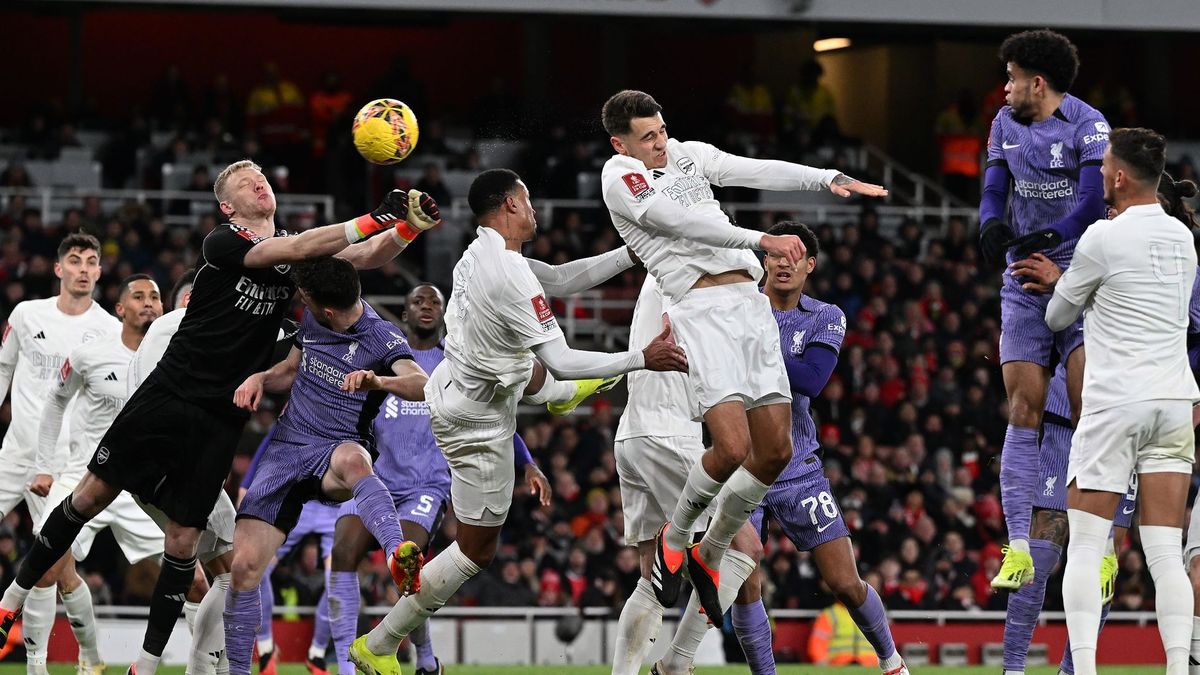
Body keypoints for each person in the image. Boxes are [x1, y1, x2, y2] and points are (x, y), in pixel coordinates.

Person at [0, 159, 442, 675]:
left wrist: (408, 226)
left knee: (185, 544)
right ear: (228, 204)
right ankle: (10, 598)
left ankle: (144, 666)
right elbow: (300, 247)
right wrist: (371, 215)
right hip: (171, 394)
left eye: (263, 177)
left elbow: (363, 255)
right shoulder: (224, 242)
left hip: (220, 418)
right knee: (88, 496)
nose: (260, 182)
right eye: (244, 181)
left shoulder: (299, 259)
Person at [348, 168, 687, 675]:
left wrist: (627, 256)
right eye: (528, 200)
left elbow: (561, 278)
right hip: (477, 428)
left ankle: (555, 396)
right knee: (476, 549)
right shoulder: (506, 275)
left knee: (523, 365)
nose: (535, 210)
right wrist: (641, 357)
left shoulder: (482, 253)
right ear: (508, 205)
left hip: (457, 391)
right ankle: (379, 643)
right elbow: (565, 356)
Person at [599, 89, 886, 622]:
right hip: (702, 309)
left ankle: (708, 552)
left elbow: (753, 168)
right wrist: (760, 240)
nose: (660, 143)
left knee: (774, 450)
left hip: (749, 305)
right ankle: (679, 534)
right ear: (621, 143)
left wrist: (824, 178)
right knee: (731, 448)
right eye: (647, 138)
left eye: (661, 130)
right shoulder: (620, 177)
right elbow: (674, 222)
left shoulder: (684, 154)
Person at [666, 222, 907, 675]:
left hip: (798, 468)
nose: (783, 264)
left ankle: (893, 663)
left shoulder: (824, 316)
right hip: (741, 466)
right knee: (745, 584)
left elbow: (813, 379)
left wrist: (748, 345)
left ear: (809, 265)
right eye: (776, 256)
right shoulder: (735, 306)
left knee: (844, 582)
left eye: (793, 257)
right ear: (763, 260)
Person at [1003, 170, 1200, 675]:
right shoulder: (1164, 246)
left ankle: (1076, 669)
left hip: (1115, 412)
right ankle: (1015, 669)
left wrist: (1060, 284)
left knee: (1096, 552)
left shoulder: (1124, 245)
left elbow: (1061, 312)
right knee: (1146, 552)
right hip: (1122, 410)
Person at [327, 284, 552, 675]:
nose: (427, 306)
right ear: (405, 313)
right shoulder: (385, 359)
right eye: (419, 301)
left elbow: (490, 417)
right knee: (342, 553)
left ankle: (425, 659)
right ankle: (349, 667)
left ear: (445, 314)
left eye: (435, 302)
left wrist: (527, 462)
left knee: (410, 567)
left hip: (425, 486)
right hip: (375, 481)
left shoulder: (457, 363)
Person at [223, 256, 432, 675]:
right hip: (286, 449)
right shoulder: (314, 321)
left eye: (306, 298)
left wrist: (379, 382)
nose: (301, 300)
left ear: (328, 309)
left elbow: (420, 384)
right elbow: (290, 369)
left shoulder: (382, 337)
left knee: (357, 461)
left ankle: (397, 553)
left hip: (335, 447)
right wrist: (262, 378)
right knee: (243, 569)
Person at [977, 29, 1110, 590]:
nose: (1004, 88)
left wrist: (1050, 237)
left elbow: (1090, 202)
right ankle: (1017, 548)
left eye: (1010, 78)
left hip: (1081, 278)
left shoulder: (1090, 124)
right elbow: (993, 187)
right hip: (1023, 280)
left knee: (1089, 414)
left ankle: (1100, 548)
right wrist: (988, 225)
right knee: (1023, 410)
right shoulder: (1004, 124)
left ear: (1037, 82)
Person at [610, 272, 760, 675]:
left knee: (650, 574)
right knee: (745, 548)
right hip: (669, 432)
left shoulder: (656, 277)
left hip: (633, 434)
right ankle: (676, 664)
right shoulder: (688, 272)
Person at [33, 274, 168, 672]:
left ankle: (210, 665)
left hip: (144, 484)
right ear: (120, 310)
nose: (148, 303)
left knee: (196, 578)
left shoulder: (176, 355)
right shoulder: (89, 354)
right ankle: (58, 662)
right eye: (138, 296)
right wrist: (45, 465)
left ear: (163, 309)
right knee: (48, 563)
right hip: (86, 476)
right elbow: (55, 404)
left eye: (155, 297)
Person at [0, 233, 119, 675]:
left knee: (55, 568)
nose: (84, 268)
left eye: (91, 261)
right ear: (58, 269)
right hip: (14, 455)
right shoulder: (27, 315)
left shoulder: (109, 328)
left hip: (67, 465)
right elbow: (3, 370)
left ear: (99, 272)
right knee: (53, 567)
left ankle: (41, 664)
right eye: (75, 261)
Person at [237, 434, 338, 675]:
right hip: (298, 499)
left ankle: (317, 653)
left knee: (338, 582)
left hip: (334, 504)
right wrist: (246, 485)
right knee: (257, 569)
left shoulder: (352, 399)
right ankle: (265, 647)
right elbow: (274, 435)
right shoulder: (302, 399)